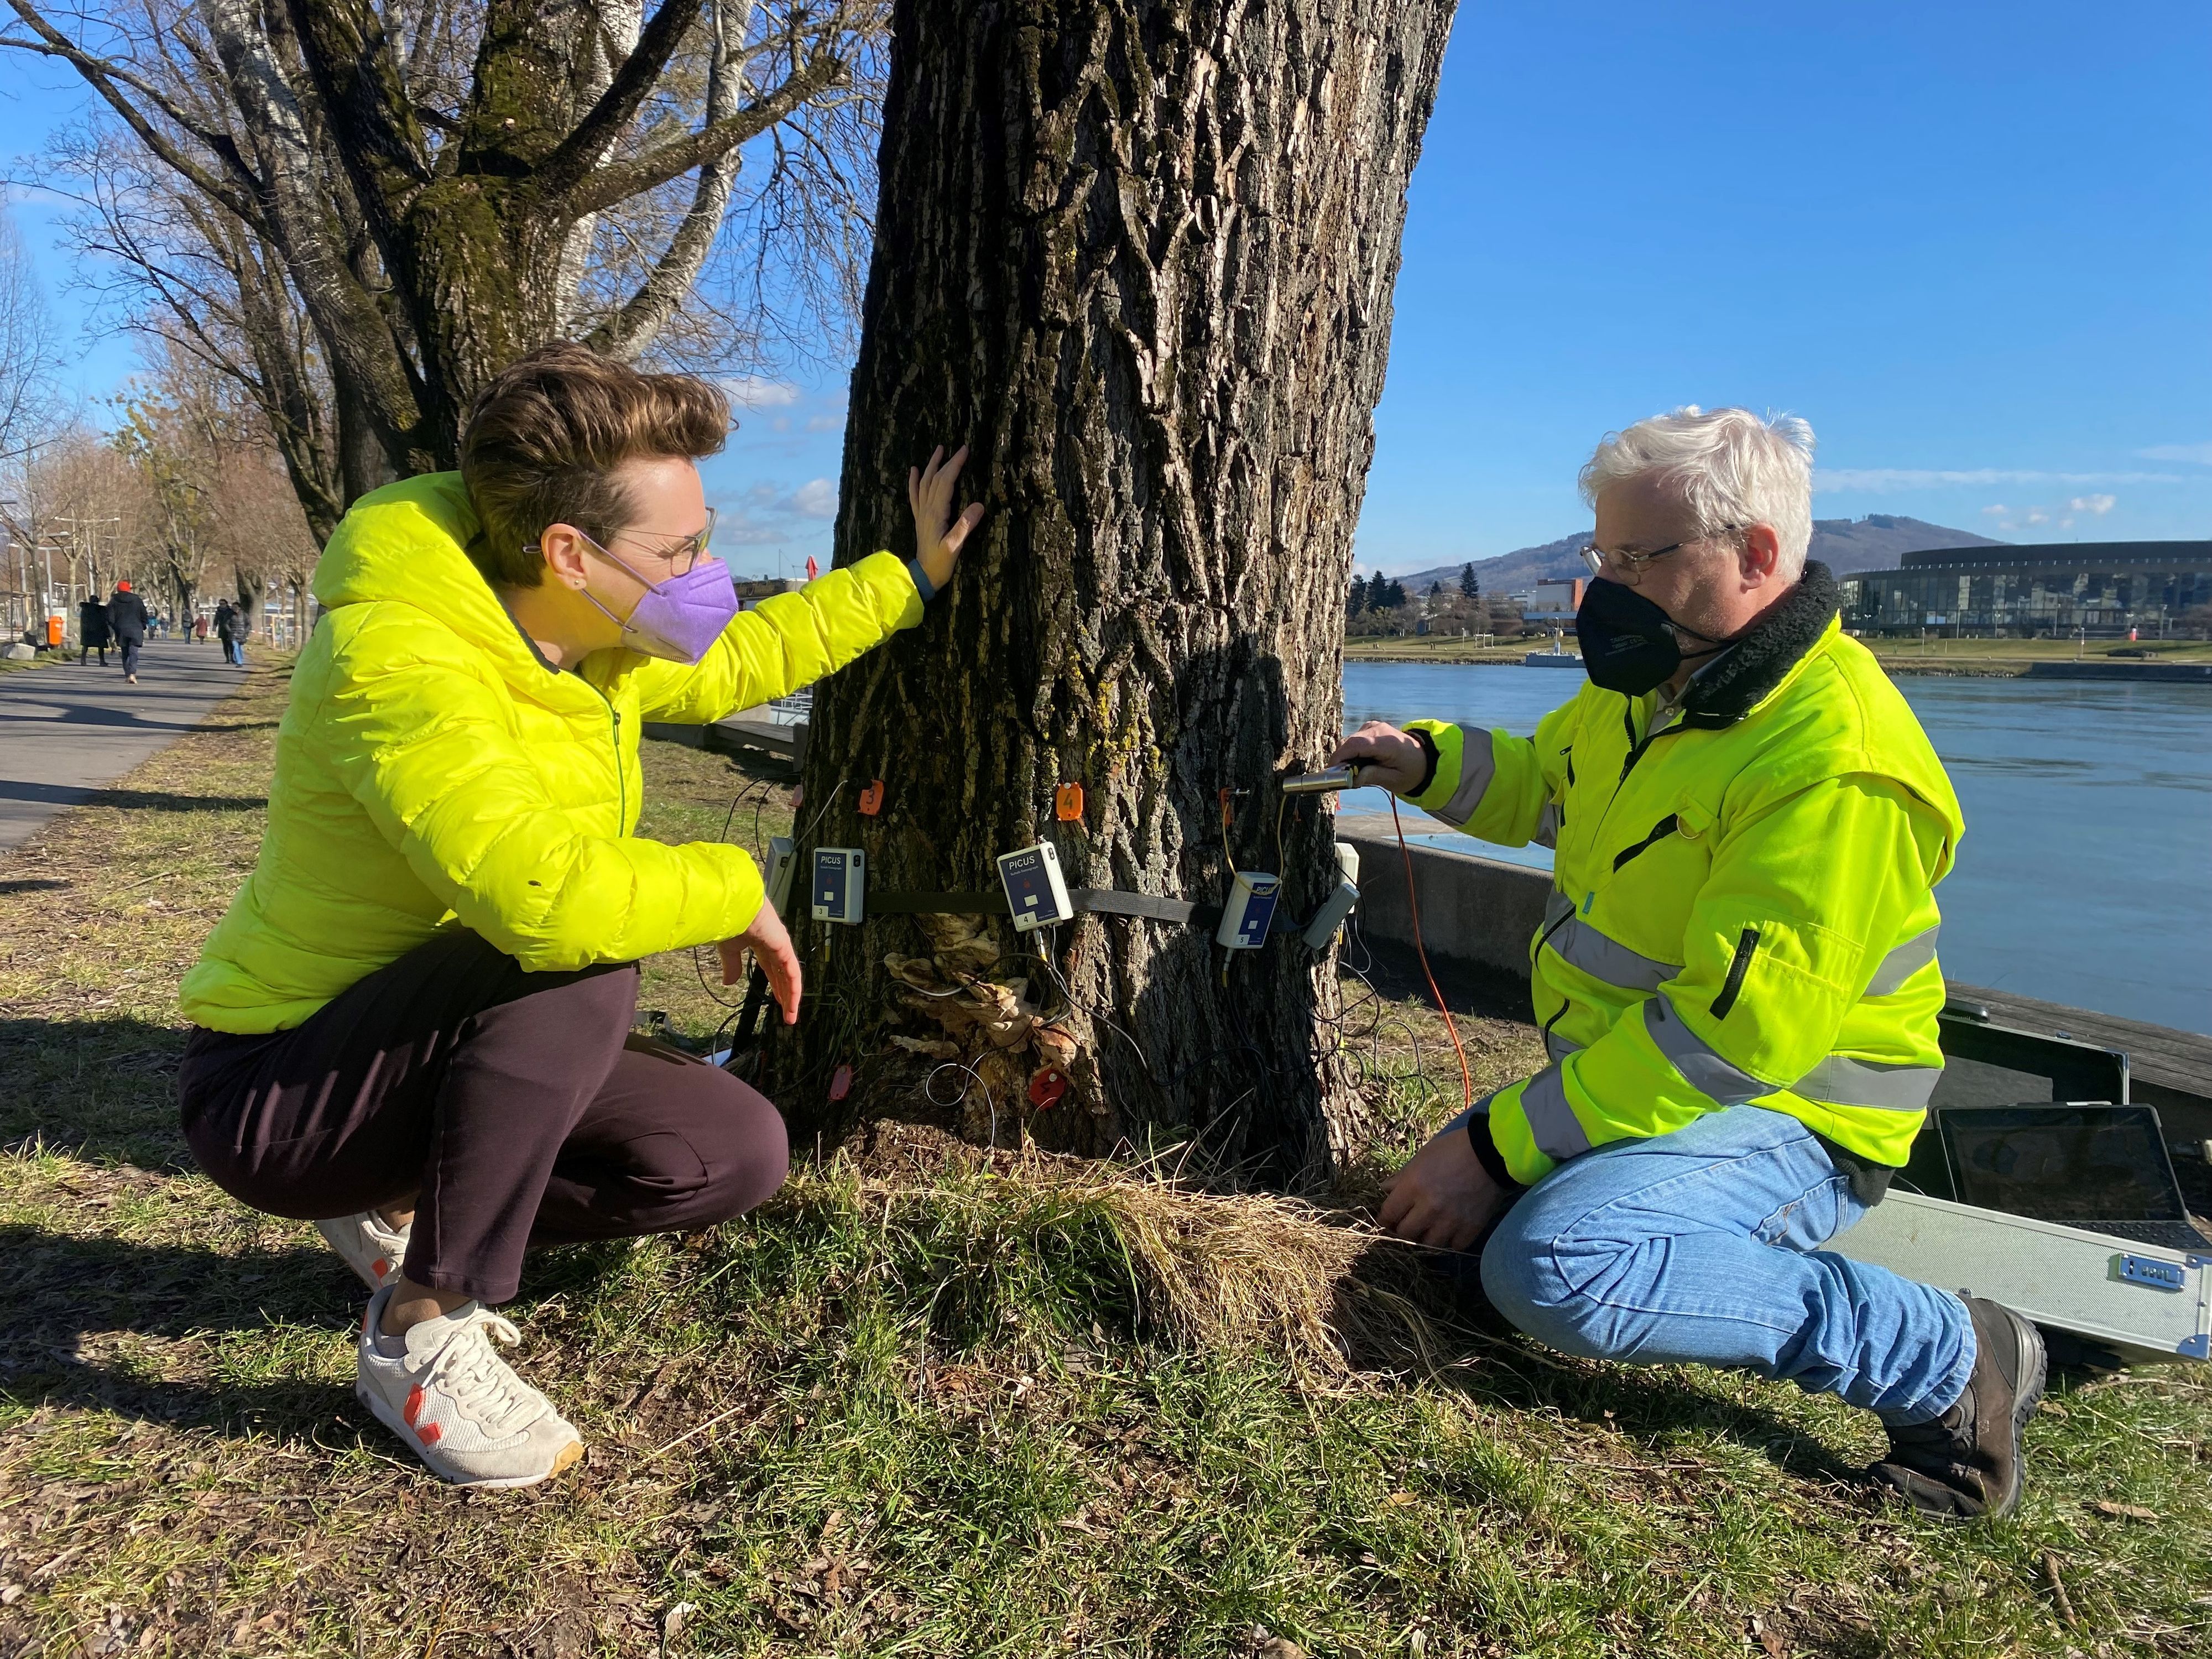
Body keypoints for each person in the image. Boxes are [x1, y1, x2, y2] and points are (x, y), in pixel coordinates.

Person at [175, 342, 984, 1489]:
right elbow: (543, 902)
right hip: (283, 1085)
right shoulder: (396, 656)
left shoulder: (593, 640)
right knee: (583, 961)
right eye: (681, 549)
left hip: (457, 1030)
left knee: (730, 1152)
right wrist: (732, 885)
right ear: (569, 551)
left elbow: (746, 650)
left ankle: (404, 1204)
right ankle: (420, 1330)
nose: (706, 572)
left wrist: (907, 579)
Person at [1337, 407, 2042, 1522]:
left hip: (1800, 1106)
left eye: (1638, 559)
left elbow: (1735, 1038)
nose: (1605, 588)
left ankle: (1951, 1362)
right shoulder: (1655, 675)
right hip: (1651, 1079)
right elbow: (1548, 782)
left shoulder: (1830, 758)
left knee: (1555, 1269)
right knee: (1514, 1242)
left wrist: (1494, 1144)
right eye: (1599, 558)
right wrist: (1425, 760)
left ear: (1755, 554)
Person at [106, 580, 149, 684]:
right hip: (136, 629)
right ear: (129, 589)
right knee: (134, 652)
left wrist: (115, 626)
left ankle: (128, 674)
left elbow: (110, 617)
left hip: (121, 629)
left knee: (125, 652)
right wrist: (143, 625)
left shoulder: (114, 601)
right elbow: (144, 614)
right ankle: (132, 673)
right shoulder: (137, 600)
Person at [79, 594, 111, 666]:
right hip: (99, 630)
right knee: (101, 646)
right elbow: (105, 621)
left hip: (87, 630)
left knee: (85, 646)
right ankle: (102, 661)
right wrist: (107, 633)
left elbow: (83, 620)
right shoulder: (101, 609)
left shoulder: (85, 609)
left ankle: (83, 660)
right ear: (98, 601)